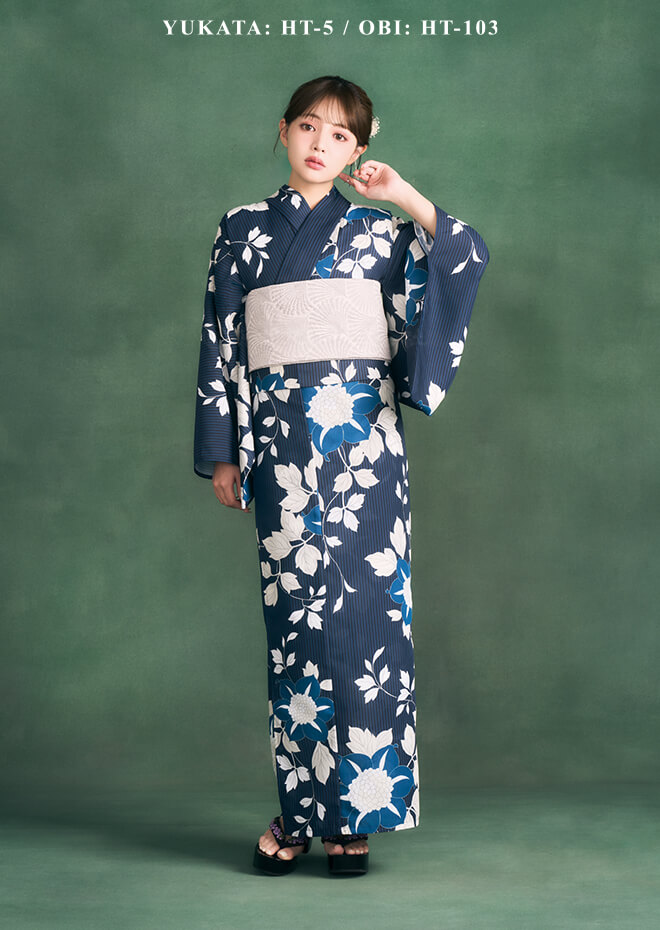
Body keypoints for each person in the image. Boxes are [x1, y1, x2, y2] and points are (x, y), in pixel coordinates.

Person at [193, 75, 490, 876]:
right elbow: (221, 337)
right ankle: (301, 813)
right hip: (281, 447)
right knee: (297, 627)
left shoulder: (379, 230)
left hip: (365, 446)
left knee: (368, 626)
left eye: (341, 136)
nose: (321, 144)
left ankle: (354, 815)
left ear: (360, 148)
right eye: (309, 127)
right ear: (283, 130)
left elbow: (462, 257)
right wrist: (226, 448)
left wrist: (404, 196)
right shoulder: (241, 229)